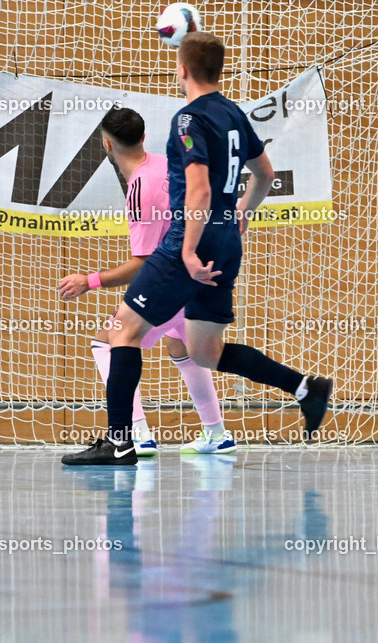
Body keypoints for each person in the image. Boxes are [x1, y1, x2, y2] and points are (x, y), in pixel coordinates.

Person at [62, 32, 332, 466]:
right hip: (226, 241)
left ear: (183, 69)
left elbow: (200, 189)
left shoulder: (188, 120)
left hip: (192, 239)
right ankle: (305, 388)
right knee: (206, 352)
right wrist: (242, 212)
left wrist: (187, 250)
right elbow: (264, 173)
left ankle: (121, 442)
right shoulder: (234, 114)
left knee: (121, 334)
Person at [59, 107, 231, 456]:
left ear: (106, 146)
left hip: (173, 281)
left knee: (109, 342)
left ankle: (135, 433)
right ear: (142, 136)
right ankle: (217, 433)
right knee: (181, 346)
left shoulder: (140, 189)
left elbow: (144, 261)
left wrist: (88, 280)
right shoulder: (166, 162)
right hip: (202, 275)